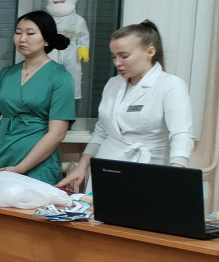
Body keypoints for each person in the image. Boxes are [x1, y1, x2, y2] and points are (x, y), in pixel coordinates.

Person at [57, 20, 194, 192]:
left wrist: (176, 173)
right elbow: (101, 131)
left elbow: (181, 134)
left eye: (124, 56)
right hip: (108, 166)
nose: (117, 63)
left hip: (150, 168)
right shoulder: (113, 84)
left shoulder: (170, 85)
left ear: (150, 52)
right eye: (114, 56)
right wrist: (82, 166)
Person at [0, 11, 76, 185]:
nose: (22, 38)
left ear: (46, 40)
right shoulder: (5, 74)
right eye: (18, 32)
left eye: (30, 33)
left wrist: (21, 168)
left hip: (38, 164)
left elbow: (57, 133)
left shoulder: (60, 77)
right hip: (0, 158)